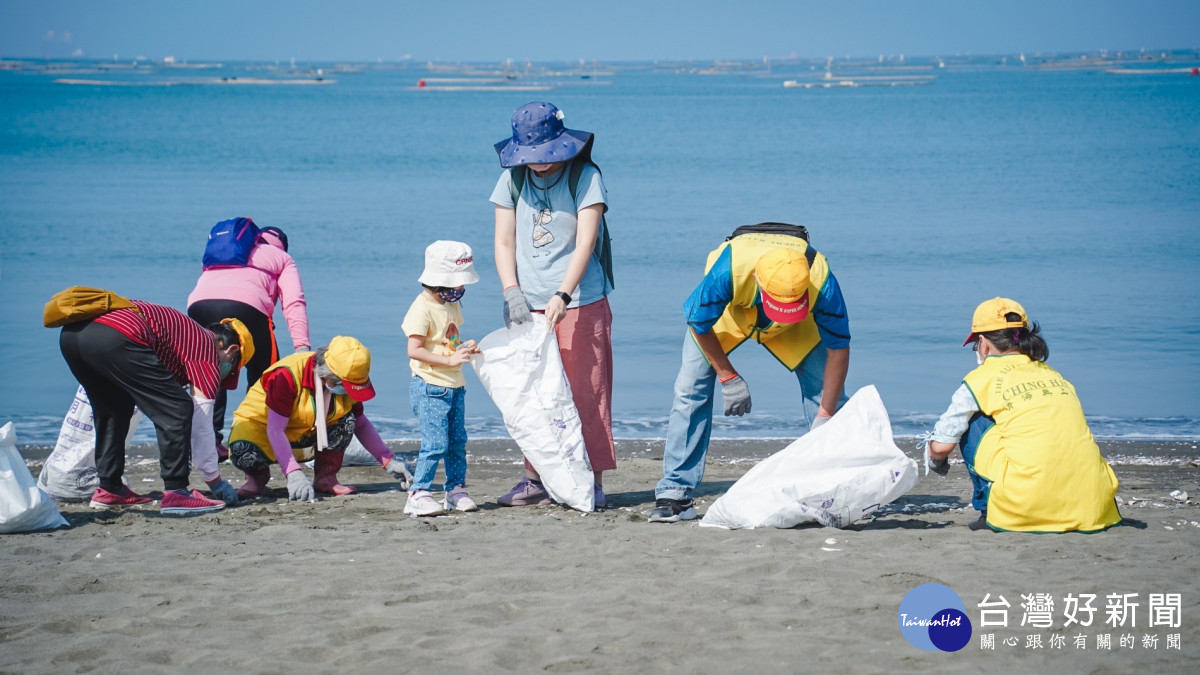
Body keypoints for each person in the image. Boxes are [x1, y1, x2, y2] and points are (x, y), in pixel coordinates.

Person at [650, 225, 851, 523]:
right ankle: (675, 493)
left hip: (798, 325)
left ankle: (835, 490)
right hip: (731, 313)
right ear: (758, 279)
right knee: (689, 388)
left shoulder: (821, 280)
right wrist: (727, 375)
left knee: (831, 400)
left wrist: (825, 414)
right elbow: (698, 323)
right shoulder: (729, 270)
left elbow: (838, 347)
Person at [490, 101, 616, 509]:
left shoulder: (586, 177)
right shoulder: (512, 178)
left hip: (581, 300)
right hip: (527, 303)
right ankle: (536, 479)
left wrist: (562, 294)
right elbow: (504, 240)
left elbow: (586, 242)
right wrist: (512, 291)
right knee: (535, 393)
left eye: (544, 157)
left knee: (586, 392)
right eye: (530, 158)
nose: (538, 166)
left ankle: (590, 480)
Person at [924, 297, 1122, 533]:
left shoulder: (979, 380)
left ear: (984, 343)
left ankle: (987, 510)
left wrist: (935, 457)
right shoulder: (1054, 375)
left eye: (977, 344)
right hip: (1095, 505)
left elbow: (941, 447)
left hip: (1026, 505)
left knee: (974, 420)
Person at [57, 299, 253, 514]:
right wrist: (215, 481)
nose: (226, 372)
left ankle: (110, 489)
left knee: (113, 409)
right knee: (178, 407)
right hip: (118, 332)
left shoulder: (185, 337)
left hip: (74, 335)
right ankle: (177, 492)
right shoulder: (207, 346)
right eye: (233, 366)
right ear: (232, 350)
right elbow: (202, 423)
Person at [227, 335, 413, 500]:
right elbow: (275, 430)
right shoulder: (287, 375)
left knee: (347, 420)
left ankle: (326, 478)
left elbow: (361, 423)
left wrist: (388, 461)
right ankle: (256, 479)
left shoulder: (345, 381)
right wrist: (293, 474)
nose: (344, 389)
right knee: (242, 448)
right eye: (341, 384)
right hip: (263, 430)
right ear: (325, 373)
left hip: (305, 433)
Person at [188, 223, 310, 459]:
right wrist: (302, 348)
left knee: (210, 370)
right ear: (282, 245)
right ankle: (250, 437)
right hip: (248, 308)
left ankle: (209, 441)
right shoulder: (282, 258)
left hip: (198, 306)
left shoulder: (224, 254)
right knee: (265, 375)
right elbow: (294, 303)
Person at [401, 240, 482, 517]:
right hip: (430, 385)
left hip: (455, 384)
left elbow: (448, 341)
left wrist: (463, 349)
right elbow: (415, 350)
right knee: (435, 443)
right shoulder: (421, 309)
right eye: (458, 284)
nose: (462, 289)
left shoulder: (450, 307)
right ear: (440, 282)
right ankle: (419, 493)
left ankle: (455, 490)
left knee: (457, 442)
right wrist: (449, 360)